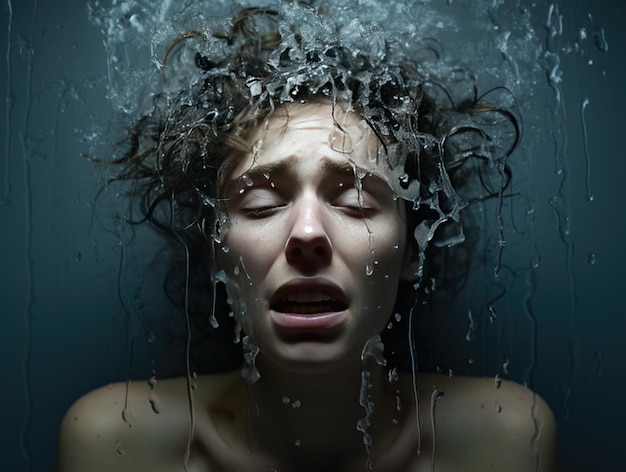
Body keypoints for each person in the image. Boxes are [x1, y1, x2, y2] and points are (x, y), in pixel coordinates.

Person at [55, 4, 557, 471]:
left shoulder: (505, 436)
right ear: (216, 250)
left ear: (411, 245)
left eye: (357, 201)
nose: (309, 233)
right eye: (261, 205)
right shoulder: (115, 442)